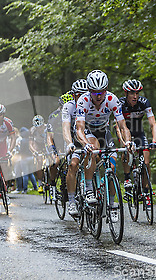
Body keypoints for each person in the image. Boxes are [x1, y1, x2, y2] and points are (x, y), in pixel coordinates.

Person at [74, 70, 135, 221]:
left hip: (104, 131)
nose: (99, 96)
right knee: (92, 148)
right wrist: (85, 144)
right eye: (95, 92)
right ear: (89, 91)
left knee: (112, 167)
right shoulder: (83, 101)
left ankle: (112, 204)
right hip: (88, 131)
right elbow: (79, 128)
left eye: (101, 91)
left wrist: (127, 141)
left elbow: (122, 126)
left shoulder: (112, 99)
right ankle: (88, 189)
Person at [115, 79, 156, 208]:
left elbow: (153, 123)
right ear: (126, 93)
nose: (135, 96)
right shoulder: (120, 103)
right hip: (124, 132)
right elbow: (118, 127)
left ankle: (146, 192)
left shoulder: (144, 102)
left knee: (146, 162)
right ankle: (127, 177)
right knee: (127, 151)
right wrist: (124, 142)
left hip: (139, 133)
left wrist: (155, 141)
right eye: (132, 93)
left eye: (137, 93)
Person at [61, 79, 89, 216]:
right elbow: (66, 128)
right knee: (73, 165)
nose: (82, 97)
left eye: (85, 94)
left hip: (89, 136)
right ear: (74, 95)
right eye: (79, 94)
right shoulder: (69, 106)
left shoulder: (91, 104)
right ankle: (72, 201)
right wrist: (69, 143)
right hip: (74, 138)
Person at [44, 92, 74, 199]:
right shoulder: (54, 116)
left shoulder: (74, 112)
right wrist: (52, 151)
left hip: (67, 140)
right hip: (55, 140)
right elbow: (49, 137)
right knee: (56, 162)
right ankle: (52, 184)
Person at [16, 127, 38, 193]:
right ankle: (35, 187)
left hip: (24, 158)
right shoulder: (29, 140)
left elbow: (21, 150)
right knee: (31, 174)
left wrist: (18, 148)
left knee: (25, 174)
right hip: (30, 157)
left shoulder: (22, 141)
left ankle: (25, 189)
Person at [29, 115, 47, 193]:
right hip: (38, 144)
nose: (39, 129)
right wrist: (34, 151)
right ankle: (40, 184)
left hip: (46, 143)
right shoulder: (32, 130)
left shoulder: (47, 128)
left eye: (40, 127)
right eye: (37, 128)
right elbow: (30, 143)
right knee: (39, 161)